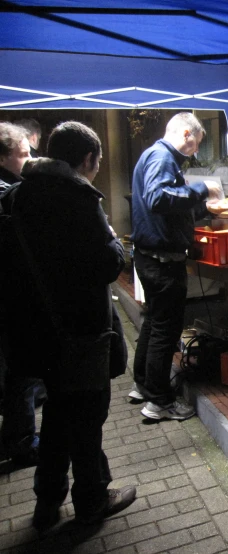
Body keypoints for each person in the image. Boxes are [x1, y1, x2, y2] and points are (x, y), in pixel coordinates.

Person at [0, 121, 136, 529]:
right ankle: (92, 499)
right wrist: (113, 240)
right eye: (96, 161)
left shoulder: (18, 196)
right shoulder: (78, 198)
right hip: (81, 330)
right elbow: (107, 264)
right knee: (87, 414)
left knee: (58, 412)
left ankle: (47, 500)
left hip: (37, 327)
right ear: (88, 159)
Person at [129, 112, 222, 420]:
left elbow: (170, 208)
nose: (195, 151)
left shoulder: (155, 156)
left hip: (151, 257)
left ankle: (143, 385)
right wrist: (203, 189)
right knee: (165, 331)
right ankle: (159, 401)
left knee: (154, 323)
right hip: (161, 261)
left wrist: (205, 208)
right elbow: (158, 199)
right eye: (195, 144)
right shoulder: (162, 157)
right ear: (185, 134)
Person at [0, 121, 45, 467]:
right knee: (21, 371)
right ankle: (22, 442)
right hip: (12, 298)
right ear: (4, 158)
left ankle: (16, 435)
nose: (31, 160)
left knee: (19, 372)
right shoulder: (9, 193)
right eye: (24, 154)